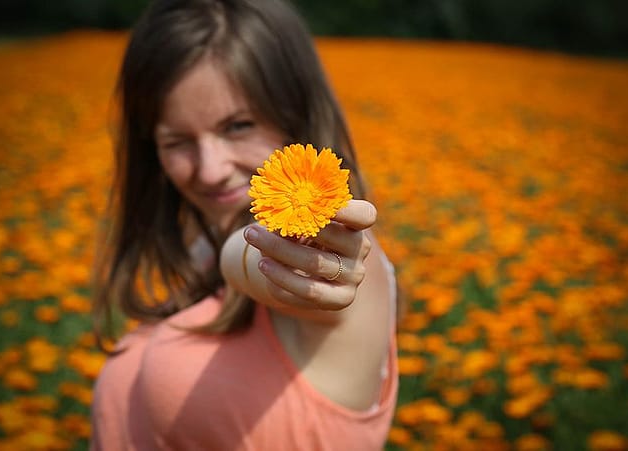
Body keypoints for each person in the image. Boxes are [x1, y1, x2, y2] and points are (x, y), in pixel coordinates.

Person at [90, 0, 398, 449]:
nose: (210, 169)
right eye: (177, 141)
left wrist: (271, 247)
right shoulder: (199, 250)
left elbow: (252, 259)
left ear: (296, 115)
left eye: (238, 126)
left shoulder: (332, 261)